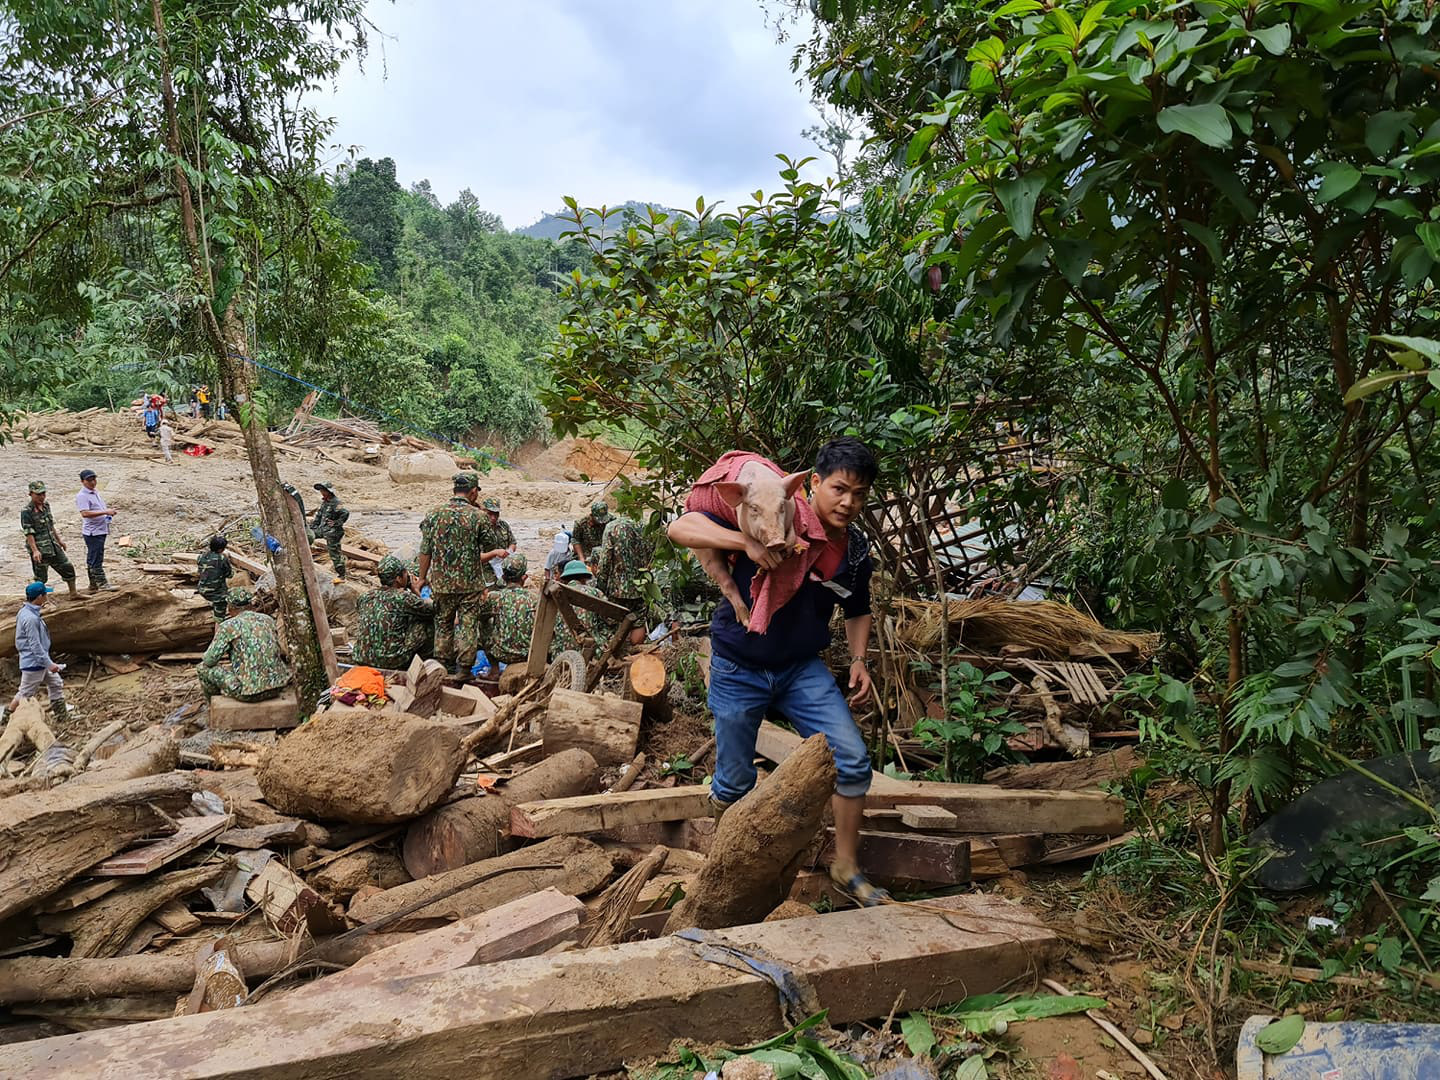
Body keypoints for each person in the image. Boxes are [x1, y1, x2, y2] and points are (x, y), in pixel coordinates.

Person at [666, 436, 885, 906]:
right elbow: (681, 528)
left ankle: (845, 865)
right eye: (840, 489)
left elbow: (858, 608)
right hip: (737, 665)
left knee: (851, 761)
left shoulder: (852, 551)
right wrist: (745, 541)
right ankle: (725, 875)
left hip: (801, 669)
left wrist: (860, 659)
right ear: (814, 485)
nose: (848, 502)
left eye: (859, 494)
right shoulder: (769, 504)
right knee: (733, 781)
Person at [418, 473, 506, 676]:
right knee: (468, 624)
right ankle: (464, 669)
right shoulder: (478, 516)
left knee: (443, 623)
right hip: (470, 584)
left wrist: (422, 578)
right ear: (473, 492)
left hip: (441, 583)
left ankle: (443, 666)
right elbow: (491, 546)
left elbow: (425, 551)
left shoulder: (434, 514)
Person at [196, 588, 291, 702]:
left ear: (230, 607)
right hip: (278, 687)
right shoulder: (268, 620)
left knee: (202, 668)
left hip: (249, 693)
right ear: (251, 604)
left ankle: (213, 703)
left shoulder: (229, 626)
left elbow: (209, 660)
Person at [353, 555, 435, 671]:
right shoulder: (403, 598)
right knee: (425, 621)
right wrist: (415, 590)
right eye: (406, 574)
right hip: (392, 661)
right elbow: (433, 610)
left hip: (362, 658)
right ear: (398, 578)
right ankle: (426, 662)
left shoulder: (365, 597)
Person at [12, 581, 70, 722]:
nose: (47, 597)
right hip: (34, 663)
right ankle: (6, 718)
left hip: (40, 661)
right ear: (39, 597)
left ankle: (62, 717)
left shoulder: (26, 611)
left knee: (56, 683)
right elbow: (35, 646)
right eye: (45, 594)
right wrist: (49, 664)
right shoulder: (31, 618)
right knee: (25, 694)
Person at [477, 553, 536, 665]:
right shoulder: (534, 599)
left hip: (501, 654)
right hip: (527, 654)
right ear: (524, 577)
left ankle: (494, 670)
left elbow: (479, 615)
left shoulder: (494, 597)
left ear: (503, 577)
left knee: (483, 622)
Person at [22, 481, 77, 598]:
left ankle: (73, 593)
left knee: (67, 567)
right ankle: (43, 601)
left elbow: (51, 526)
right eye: (38, 494)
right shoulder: (27, 511)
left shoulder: (46, 506)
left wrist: (59, 540)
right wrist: (35, 550)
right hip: (40, 549)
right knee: (41, 578)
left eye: (43, 493)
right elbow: (29, 533)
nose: (41, 497)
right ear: (31, 494)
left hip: (53, 545)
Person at [592, 514, 649, 622]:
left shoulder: (612, 527)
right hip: (641, 585)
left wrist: (600, 587)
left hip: (617, 588)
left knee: (615, 623)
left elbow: (605, 561)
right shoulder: (645, 525)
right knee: (638, 621)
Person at [551, 560, 610, 654]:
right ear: (585, 578)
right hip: (593, 651)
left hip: (561, 651)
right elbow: (609, 619)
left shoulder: (556, 594)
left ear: (565, 578)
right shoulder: (595, 593)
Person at [74, 469, 117, 592]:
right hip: (93, 532)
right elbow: (85, 513)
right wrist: (105, 512)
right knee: (96, 558)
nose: (93, 482)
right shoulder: (82, 496)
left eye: (94, 479)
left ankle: (93, 584)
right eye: (89, 480)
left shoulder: (94, 492)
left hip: (100, 529)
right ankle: (101, 583)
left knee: (93, 557)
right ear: (83, 482)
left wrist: (107, 512)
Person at [310, 482, 349, 580]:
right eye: (321, 490)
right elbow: (319, 516)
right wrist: (312, 527)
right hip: (323, 529)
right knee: (308, 535)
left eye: (324, 490)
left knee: (334, 553)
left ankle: (341, 574)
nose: (322, 492)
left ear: (329, 491)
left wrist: (336, 523)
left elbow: (345, 513)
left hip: (333, 532)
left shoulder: (336, 502)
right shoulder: (325, 502)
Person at [480, 496, 517, 584]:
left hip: (503, 566)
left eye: (496, 514)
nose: (493, 517)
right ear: (483, 512)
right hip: (485, 569)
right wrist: (494, 553)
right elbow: (477, 557)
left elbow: (513, 543)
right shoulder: (479, 528)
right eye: (490, 514)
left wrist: (509, 551)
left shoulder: (503, 525)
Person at [197, 535, 234, 619]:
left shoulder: (201, 557)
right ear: (221, 549)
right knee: (219, 617)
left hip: (202, 589)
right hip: (216, 594)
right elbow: (230, 575)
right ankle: (219, 622)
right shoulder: (222, 559)